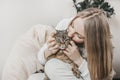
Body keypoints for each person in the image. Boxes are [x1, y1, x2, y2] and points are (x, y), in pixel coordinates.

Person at [37, 8, 114, 80]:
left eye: (79, 36)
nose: (70, 34)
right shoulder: (65, 24)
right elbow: (41, 59)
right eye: (72, 26)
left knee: (52, 66)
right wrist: (48, 51)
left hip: (84, 75)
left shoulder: (100, 47)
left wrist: (78, 60)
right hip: (62, 70)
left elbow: (99, 77)